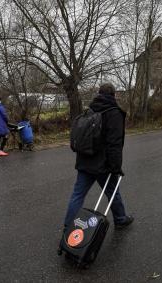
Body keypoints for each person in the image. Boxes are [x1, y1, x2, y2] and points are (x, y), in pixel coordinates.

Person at [64, 83, 134, 230]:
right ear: (114, 95)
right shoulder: (114, 113)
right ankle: (120, 219)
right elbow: (114, 144)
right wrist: (116, 167)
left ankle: (68, 226)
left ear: (99, 93)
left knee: (77, 195)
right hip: (103, 165)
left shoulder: (90, 109)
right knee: (113, 192)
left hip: (85, 160)